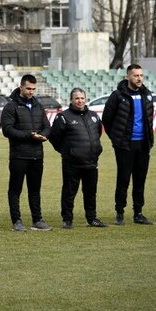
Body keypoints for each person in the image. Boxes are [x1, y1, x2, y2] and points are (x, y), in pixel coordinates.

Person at [102, 63, 154, 225]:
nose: (139, 78)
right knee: (123, 179)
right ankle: (120, 213)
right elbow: (107, 119)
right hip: (124, 145)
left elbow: (148, 119)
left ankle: (138, 213)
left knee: (140, 179)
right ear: (128, 77)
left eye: (141, 75)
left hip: (143, 145)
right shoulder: (117, 95)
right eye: (135, 75)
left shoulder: (147, 95)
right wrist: (116, 139)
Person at [49, 88, 107, 229]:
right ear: (71, 100)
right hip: (72, 162)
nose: (80, 101)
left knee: (91, 192)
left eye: (82, 98)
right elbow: (54, 138)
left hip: (92, 162)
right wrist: (68, 152)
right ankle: (67, 219)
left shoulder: (93, 116)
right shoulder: (63, 117)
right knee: (69, 192)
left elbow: (97, 133)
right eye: (76, 98)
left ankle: (91, 219)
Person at [1, 74, 53, 232]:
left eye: (33, 89)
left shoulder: (38, 106)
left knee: (35, 189)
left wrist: (44, 135)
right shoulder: (11, 106)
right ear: (21, 87)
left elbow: (47, 126)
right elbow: (7, 130)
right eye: (28, 88)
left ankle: (37, 220)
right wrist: (29, 135)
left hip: (37, 155)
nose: (31, 92)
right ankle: (16, 221)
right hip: (19, 155)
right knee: (15, 189)